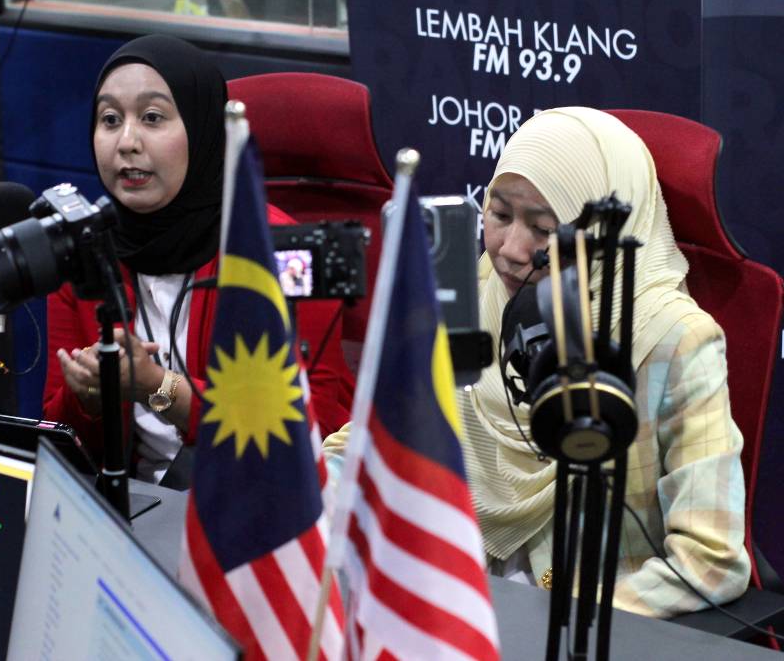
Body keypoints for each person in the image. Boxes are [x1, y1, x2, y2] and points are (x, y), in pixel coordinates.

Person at [323, 107, 750, 618]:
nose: (510, 250)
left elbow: (710, 562)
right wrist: (303, 489)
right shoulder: (472, 289)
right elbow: (372, 440)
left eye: (544, 230)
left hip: (588, 625)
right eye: (499, 215)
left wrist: (564, 616)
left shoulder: (675, 341)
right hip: (454, 601)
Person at [42, 35, 354, 483]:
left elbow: (307, 435)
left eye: (152, 118)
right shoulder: (83, 248)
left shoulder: (282, 252)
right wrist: (90, 397)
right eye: (110, 119)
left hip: (259, 511)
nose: (126, 142)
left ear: (203, 128)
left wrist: (160, 387)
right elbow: (60, 443)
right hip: (132, 510)